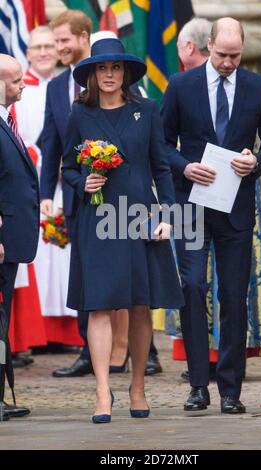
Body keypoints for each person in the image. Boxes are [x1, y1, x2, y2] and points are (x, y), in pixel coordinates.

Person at [162, 17, 261, 414]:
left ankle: (231, 390)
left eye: (235, 56)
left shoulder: (258, 86)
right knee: (193, 287)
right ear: (209, 46)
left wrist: (256, 160)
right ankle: (199, 385)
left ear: (242, 49)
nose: (228, 63)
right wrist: (184, 166)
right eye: (221, 55)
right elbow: (162, 145)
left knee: (234, 296)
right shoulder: (181, 85)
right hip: (191, 203)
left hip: (236, 206)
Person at [62, 37, 183, 422]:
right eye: (102, 68)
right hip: (96, 221)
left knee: (139, 303)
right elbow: (67, 168)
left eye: (115, 68)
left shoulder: (147, 110)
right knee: (98, 303)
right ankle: (102, 391)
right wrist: (83, 183)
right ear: (92, 75)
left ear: (126, 73)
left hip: (140, 217)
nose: (109, 74)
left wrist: (168, 215)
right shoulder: (78, 115)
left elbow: (161, 166)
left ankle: (137, 387)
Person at [39, 10, 94, 377]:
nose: (59, 47)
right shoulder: (56, 87)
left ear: (83, 37)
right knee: (83, 275)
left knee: (128, 272)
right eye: (56, 41)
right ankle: (89, 351)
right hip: (74, 197)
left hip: (116, 196)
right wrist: (45, 193)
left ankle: (145, 352)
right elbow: (51, 143)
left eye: (63, 40)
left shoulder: (109, 76)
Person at [0, 54, 40, 419]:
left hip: (9, 240)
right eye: (15, 81)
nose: (22, 84)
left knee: (1, 321)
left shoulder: (6, 121)